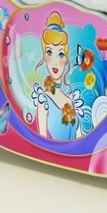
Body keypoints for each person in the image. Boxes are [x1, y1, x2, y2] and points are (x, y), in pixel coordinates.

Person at [31, 11, 85, 139]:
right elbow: (43, 141)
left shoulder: (73, 100)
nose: (55, 61)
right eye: (49, 52)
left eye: (60, 54)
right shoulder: (43, 99)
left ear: (66, 59)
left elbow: (80, 139)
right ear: (44, 56)